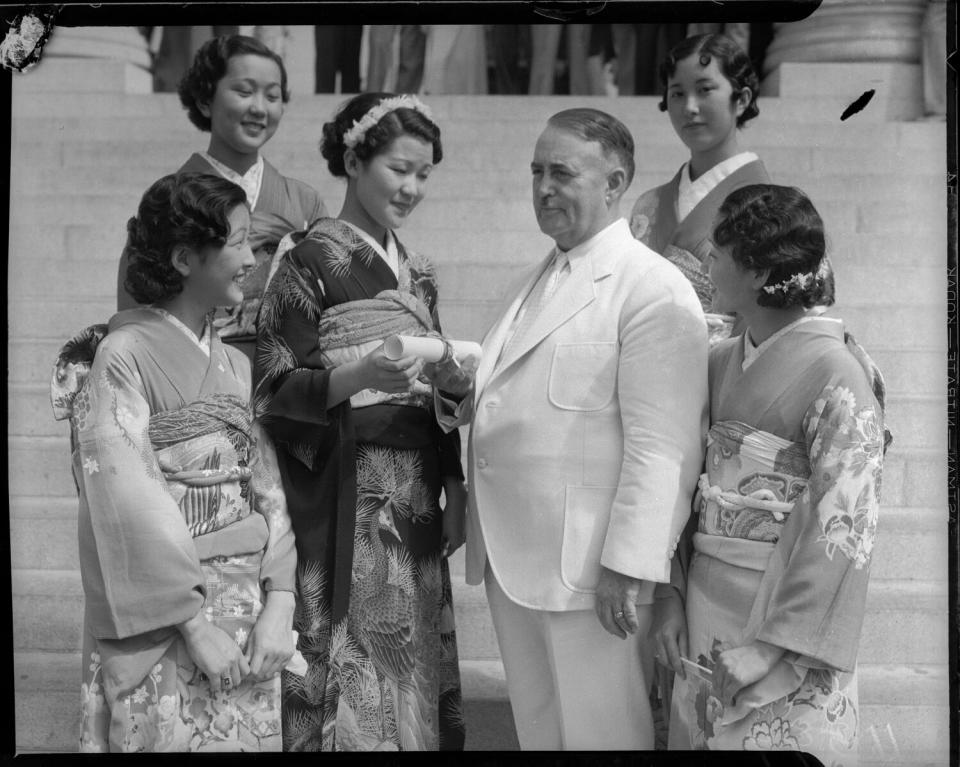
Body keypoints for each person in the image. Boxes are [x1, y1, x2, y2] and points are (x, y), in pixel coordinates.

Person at [444, 108, 708, 749]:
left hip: (594, 574)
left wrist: (630, 565)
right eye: (537, 171)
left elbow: (664, 445)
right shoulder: (525, 284)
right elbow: (507, 401)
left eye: (561, 172)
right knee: (541, 735)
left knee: (603, 737)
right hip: (516, 564)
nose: (543, 187)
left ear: (615, 183)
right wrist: (456, 396)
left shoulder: (652, 287)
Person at [253, 92, 471, 751]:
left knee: (413, 664)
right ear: (353, 159)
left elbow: (435, 388)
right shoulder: (305, 260)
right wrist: (359, 377)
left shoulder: (420, 274)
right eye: (399, 168)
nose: (412, 187)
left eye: (424, 174)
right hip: (347, 487)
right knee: (350, 660)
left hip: (418, 495)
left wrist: (454, 470)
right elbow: (274, 385)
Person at [50, 172, 298, 752]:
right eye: (237, 242)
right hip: (166, 617)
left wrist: (280, 600)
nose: (251, 258)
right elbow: (124, 500)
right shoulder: (122, 356)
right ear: (185, 258)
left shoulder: (235, 366)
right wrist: (194, 624)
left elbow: (268, 490)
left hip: (246, 614)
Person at [650, 184, 885, 762]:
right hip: (705, 601)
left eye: (718, 250)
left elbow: (844, 525)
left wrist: (773, 648)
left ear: (756, 273)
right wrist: (670, 595)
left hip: (780, 621)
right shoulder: (716, 360)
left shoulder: (839, 372)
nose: (707, 261)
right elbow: (679, 485)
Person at [117, 34, 328, 361]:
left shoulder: (304, 201)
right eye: (244, 92)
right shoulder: (172, 201)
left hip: (286, 380)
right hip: (193, 374)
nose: (259, 108)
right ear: (205, 100)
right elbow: (138, 313)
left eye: (272, 96)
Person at [629, 33, 769, 339]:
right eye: (677, 94)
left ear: (742, 99)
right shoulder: (648, 205)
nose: (689, 107)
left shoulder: (770, 204)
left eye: (705, 90)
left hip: (731, 370)